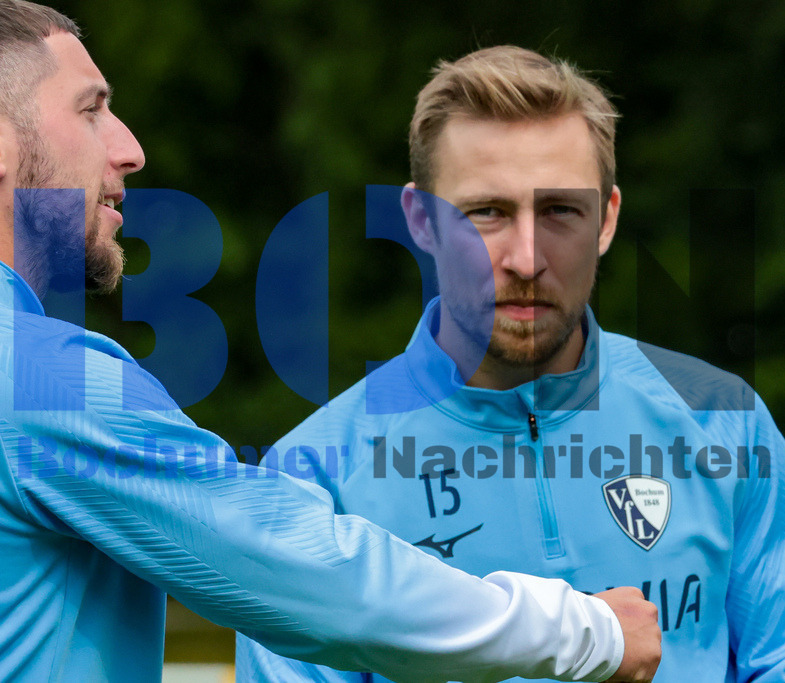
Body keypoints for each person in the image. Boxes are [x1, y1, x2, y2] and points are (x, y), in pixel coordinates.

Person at [0, 3, 664, 681]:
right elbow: (302, 575)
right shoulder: (38, 385)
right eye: (90, 110)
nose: (129, 148)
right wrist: (590, 630)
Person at [236, 45, 785, 681]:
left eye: (560, 211)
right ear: (420, 221)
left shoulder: (724, 422)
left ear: (607, 220)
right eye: (488, 212)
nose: (526, 257)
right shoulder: (315, 481)